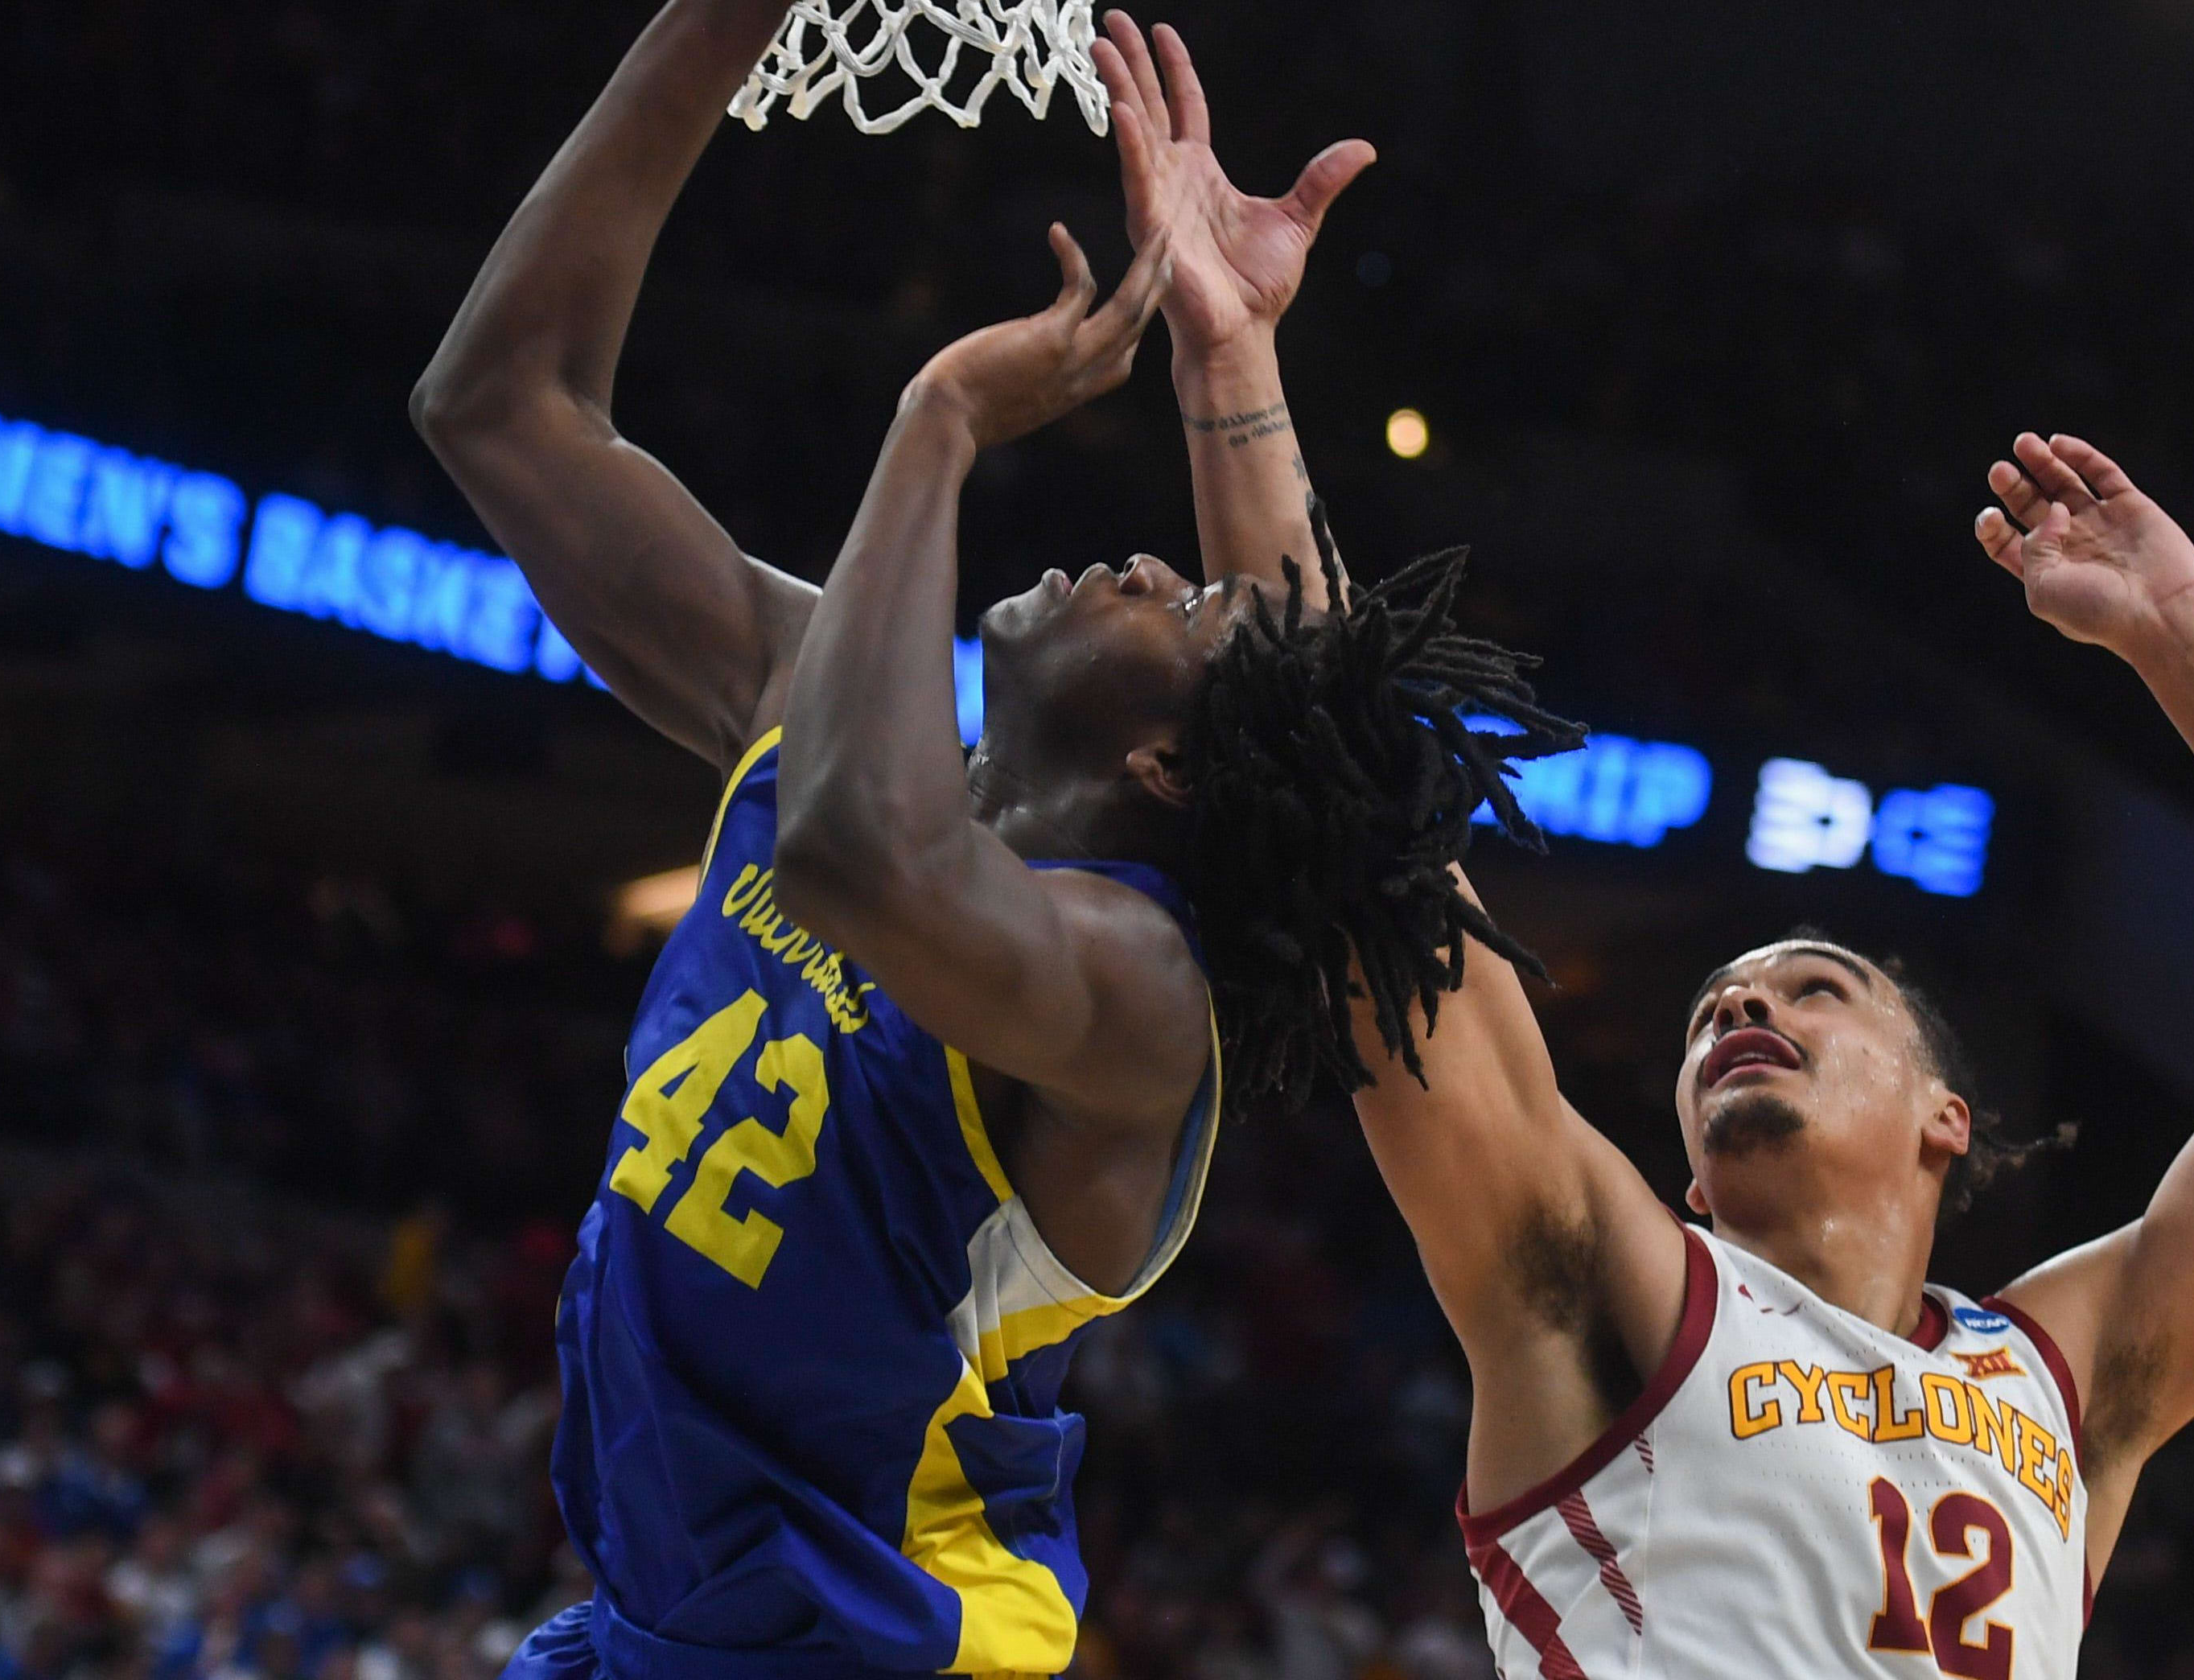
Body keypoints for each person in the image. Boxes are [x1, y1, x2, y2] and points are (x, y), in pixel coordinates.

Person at [410, 3, 1575, 1674]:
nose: (1153, 567)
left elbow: (849, 861)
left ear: (1171, 767)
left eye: (1189, 606)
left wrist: (941, 419)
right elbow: (500, 406)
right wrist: (716, 30)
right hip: (655, 1625)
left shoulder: (1134, 996)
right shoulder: (853, 736)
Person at [1351, 434, 2194, 1676]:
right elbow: (1362, 825)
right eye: (1711, 1015)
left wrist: (2181, 630)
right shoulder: (1620, 1292)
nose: (1744, 1008)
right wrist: (1234, 369)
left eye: (1816, 988)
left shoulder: (2062, 1383)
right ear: (1692, 1177)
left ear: (1945, 1115)